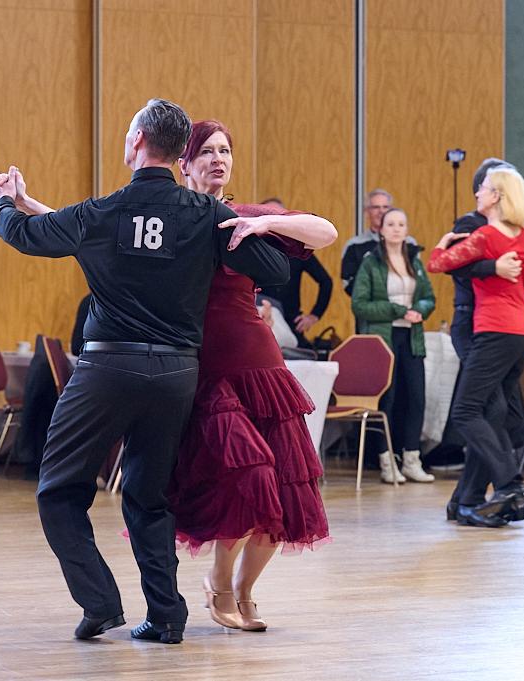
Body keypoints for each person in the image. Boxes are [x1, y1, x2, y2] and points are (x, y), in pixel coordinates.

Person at [0, 99, 290, 644]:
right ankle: (167, 616)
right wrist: (249, 225)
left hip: (107, 369)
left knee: (58, 490)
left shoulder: (103, 212)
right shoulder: (209, 216)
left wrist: (3, 203)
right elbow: (275, 270)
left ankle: (101, 602)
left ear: (135, 144)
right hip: (177, 374)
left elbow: (26, 235)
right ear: (179, 155)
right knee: (151, 498)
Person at [169, 119, 335, 633]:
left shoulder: (244, 215)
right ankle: (218, 583)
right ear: (184, 163)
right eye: (207, 151)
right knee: (248, 477)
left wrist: (267, 225)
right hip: (206, 368)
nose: (218, 159)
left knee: (286, 489)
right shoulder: (171, 217)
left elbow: (325, 231)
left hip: (259, 364)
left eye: (226, 150)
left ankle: (243, 590)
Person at [428, 167, 524, 527]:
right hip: (521, 335)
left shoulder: (482, 233)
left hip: (491, 331)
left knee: (466, 412)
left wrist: (442, 242)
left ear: (496, 195)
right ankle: (468, 500)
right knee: (491, 414)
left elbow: (438, 264)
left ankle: (509, 483)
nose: (477, 193)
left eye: (482, 188)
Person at [351, 208, 435, 483]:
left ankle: (411, 458)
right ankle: (387, 462)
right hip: (384, 340)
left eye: (401, 224)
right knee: (387, 399)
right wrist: (398, 310)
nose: (397, 229)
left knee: (416, 398)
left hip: (412, 337)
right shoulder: (371, 262)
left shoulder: (415, 261)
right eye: (391, 224)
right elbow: (359, 305)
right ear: (381, 230)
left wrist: (420, 309)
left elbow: (428, 297)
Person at [258, 198, 333, 348]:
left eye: (278, 215)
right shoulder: (253, 246)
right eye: (268, 215)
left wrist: (314, 315)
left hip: (291, 320)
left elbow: (326, 281)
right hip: (260, 318)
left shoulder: (296, 247)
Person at [340, 189, 417, 295]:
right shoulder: (354, 245)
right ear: (367, 212)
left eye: (385, 207)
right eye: (376, 207)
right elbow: (347, 283)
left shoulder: (409, 243)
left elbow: (415, 277)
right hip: (368, 308)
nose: (381, 211)